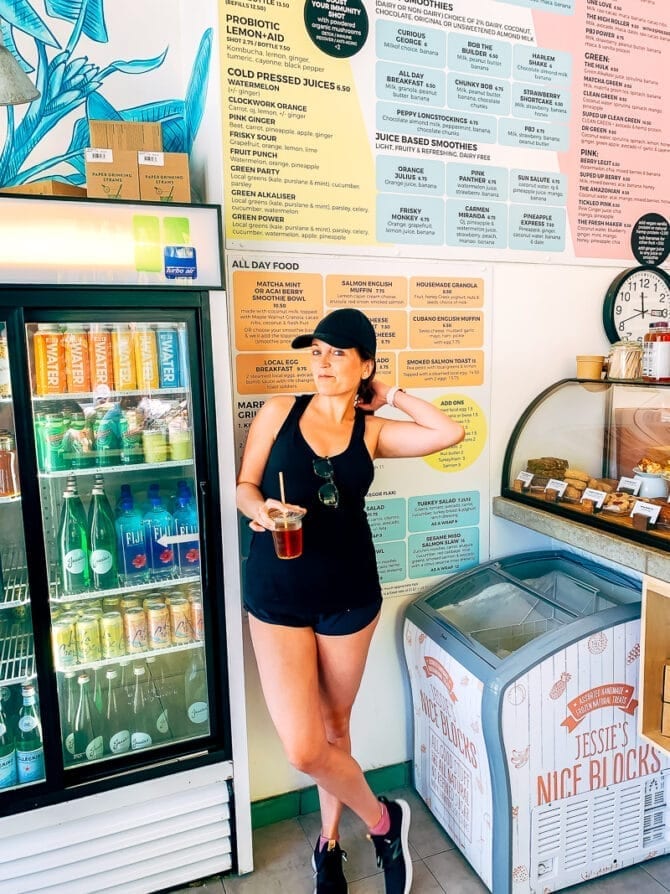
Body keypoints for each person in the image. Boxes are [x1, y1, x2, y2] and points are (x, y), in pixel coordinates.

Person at [236, 308, 465, 894]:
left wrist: (391, 394)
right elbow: (245, 485)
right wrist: (258, 511)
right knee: (305, 747)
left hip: (349, 595)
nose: (322, 363)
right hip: (277, 595)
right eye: (316, 352)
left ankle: (329, 844)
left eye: (337, 353)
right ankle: (385, 823)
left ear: (364, 364)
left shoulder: (372, 431)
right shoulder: (278, 411)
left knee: (336, 726)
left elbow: (447, 433)